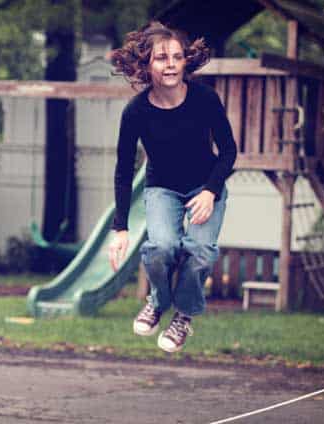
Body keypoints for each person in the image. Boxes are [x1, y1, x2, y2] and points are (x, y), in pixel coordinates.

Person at [108, 22, 237, 353]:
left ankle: (182, 316)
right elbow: (124, 169)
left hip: (205, 186)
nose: (171, 65)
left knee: (200, 250)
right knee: (161, 246)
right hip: (162, 188)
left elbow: (229, 151)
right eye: (162, 58)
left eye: (177, 57)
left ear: (185, 62)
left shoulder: (205, 99)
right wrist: (120, 227)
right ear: (147, 64)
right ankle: (157, 301)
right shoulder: (136, 111)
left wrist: (210, 191)